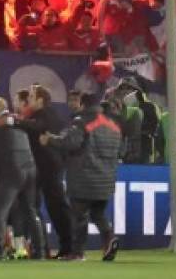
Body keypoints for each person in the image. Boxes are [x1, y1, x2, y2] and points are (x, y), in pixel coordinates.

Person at [42, 92, 122, 262]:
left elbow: (70, 143)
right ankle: (109, 237)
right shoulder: (113, 124)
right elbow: (120, 151)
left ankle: (77, 253)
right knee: (97, 213)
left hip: (84, 177)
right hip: (106, 178)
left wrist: (50, 140)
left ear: (83, 105)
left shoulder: (81, 121)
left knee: (79, 216)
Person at [17, 84, 74, 259]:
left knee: (58, 207)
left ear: (40, 100)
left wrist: (15, 121)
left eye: (32, 97)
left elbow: (37, 126)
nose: (29, 100)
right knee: (51, 207)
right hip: (45, 167)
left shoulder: (46, 113)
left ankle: (70, 247)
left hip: (50, 166)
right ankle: (57, 247)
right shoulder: (42, 114)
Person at [0, 97, 44, 260]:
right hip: (30, 169)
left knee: (0, 212)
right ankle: (40, 250)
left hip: (12, 171)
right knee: (30, 211)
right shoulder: (19, 123)